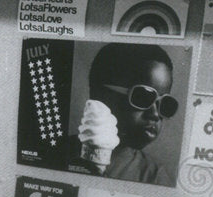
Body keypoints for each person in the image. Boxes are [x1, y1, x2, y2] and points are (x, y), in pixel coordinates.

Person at [69, 43, 179, 185]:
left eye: (165, 104)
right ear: (100, 95)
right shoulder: (55, 154)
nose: (155, 114)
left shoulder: (154, 177)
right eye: (143, 97)